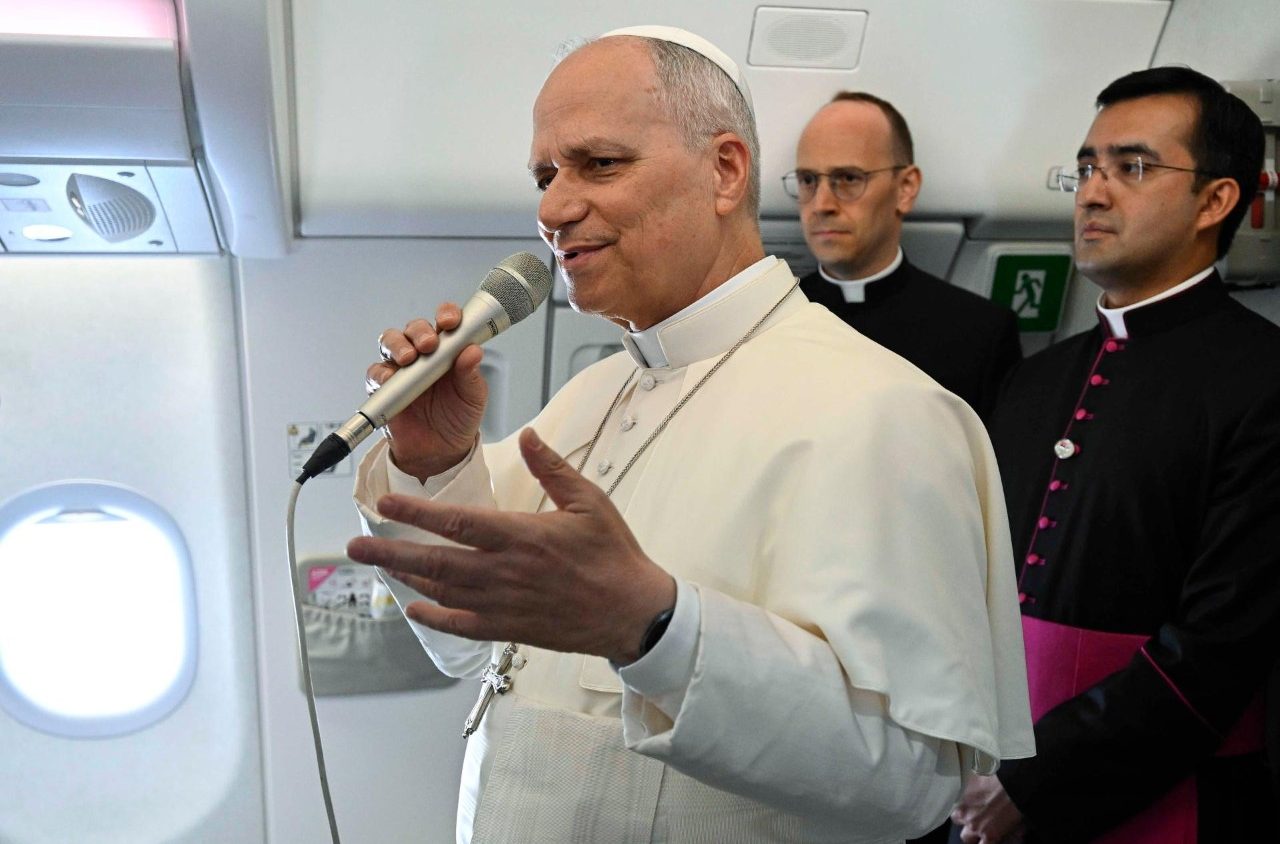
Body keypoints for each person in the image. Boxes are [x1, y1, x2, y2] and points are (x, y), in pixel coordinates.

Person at [346, 25, 1033, 844]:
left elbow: (910, 781)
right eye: (545, 175)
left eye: (600, 163)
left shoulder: (887, 411)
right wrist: (434, 462)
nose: (552, 210)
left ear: (725, 170)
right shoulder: (588, 395)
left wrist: (656, 630)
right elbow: (468, 647)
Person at [952, 66, 1280, 843]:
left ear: (1215, 201)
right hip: (990, 773)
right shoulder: (1035, 379)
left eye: (1131, 167)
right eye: (1087, 168)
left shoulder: (1264, 379)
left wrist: (1035, 782)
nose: (1092, 193)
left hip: (1173, 793)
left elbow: (1218, 649)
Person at [791, 92, 1021, 420]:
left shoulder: (979, 334)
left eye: (849, 178)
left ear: (906, 188)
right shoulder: (766, 321)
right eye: (808, 180)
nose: (821, 204)